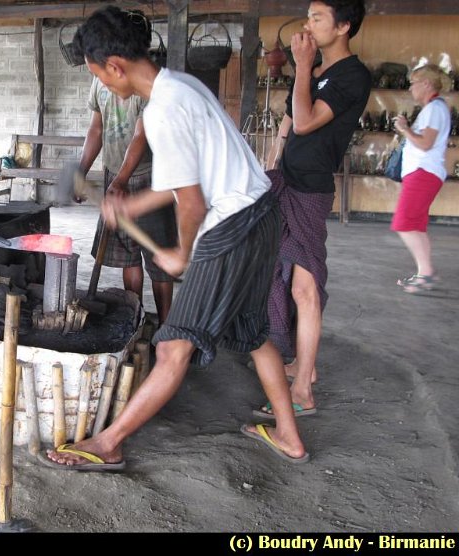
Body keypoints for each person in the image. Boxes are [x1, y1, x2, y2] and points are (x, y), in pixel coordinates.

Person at [44, 6, 308, 471]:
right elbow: (180, 181)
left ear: (116, 66)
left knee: (173, 344)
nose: (104, 86)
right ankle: (288, 434)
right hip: (261, 213)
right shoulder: (180, 86)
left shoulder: (163, 111)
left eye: (100, 77)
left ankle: (109, 443)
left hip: (232, 227)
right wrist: (131, 205)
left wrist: (181, 254)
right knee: (251, 331)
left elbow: (191, 204)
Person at [257, 0, 371, 419]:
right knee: (277, 274)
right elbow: (290, 118)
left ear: (343, 27)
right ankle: (300, 363)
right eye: (308, 16)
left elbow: (306, 121)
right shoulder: (317, 72)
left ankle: (302, 388)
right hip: (286, 180)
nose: (307, 25)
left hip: (310, 190)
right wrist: (273, 155)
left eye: (317, 18)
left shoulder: (352, 76)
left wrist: (303, 64)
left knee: (304, 287)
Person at [80, 70, 176, 323]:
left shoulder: (143, 83)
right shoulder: (97, 81)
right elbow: (96, 129)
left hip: (149, 176)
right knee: (128, 255)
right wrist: (80, 172)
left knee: (159, 259)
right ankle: (134, 319)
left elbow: (140, 135)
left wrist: (121, 180)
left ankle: (165, 330)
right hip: (114, 175)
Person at [391, 64, 451, 293]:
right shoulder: (434, 109)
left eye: (413, 83)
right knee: (415, 224)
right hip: (422, 173)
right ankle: (425, 272)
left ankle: (425, 273)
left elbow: (425, 143)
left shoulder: (434, 109)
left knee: (404, 223)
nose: (411, 89)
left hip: (423, 172)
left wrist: (405, 129)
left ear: (426, 84)